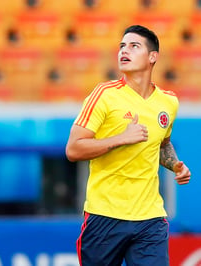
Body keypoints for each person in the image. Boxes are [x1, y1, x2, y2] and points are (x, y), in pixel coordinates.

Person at [65, 25, 191, 265]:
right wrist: (120, 138)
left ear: (153, 56)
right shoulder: (104, 95)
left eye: (134, 46)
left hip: (150, 218)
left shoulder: (169, 102)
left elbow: (163, 144)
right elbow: (73, 149)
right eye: (122, 46)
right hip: (105, 216)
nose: (124, 50)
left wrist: (175, 165)